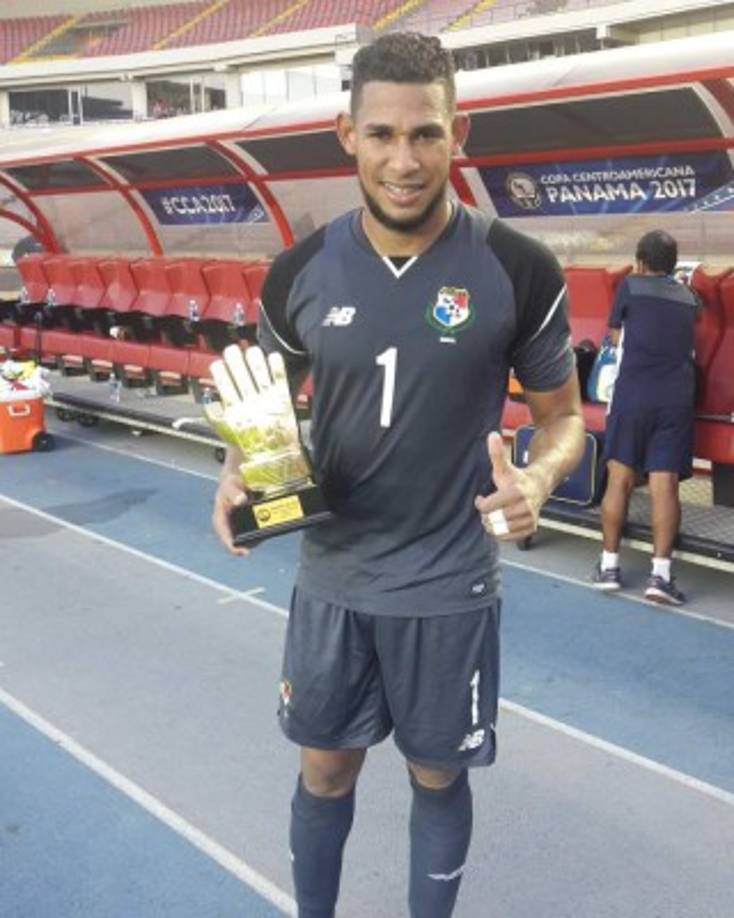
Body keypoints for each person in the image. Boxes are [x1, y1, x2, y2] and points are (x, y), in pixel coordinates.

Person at [213, 32, 584, 918]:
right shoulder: (298, 273)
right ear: (348, 134)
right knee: (325, 768)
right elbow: (261, 416)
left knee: (437, 772)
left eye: (426, 134)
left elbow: (563, 418)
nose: (405, 161)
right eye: (382, 134)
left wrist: (537, 481)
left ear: (460, 133)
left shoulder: (517, 268)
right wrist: (235, 476)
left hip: (448, 581)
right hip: (334, 577)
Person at [592, 230, 700, 605]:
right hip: (675, 400)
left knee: (619, 480)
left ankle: (609, 567)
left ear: (639, 261)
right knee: (664, 485)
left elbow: (615, 336)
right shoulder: (688, 296)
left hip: (632, 396)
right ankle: (660, 577)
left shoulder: (630, 286)